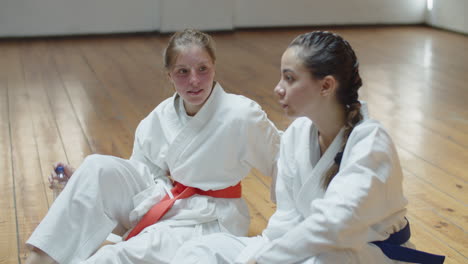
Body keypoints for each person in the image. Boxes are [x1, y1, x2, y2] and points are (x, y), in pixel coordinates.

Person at [171, 31, 446, 264]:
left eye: (290, 79)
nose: (278, 88)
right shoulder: (297, 135)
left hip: (356, 255)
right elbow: (286, 221)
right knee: (202, 250)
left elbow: (331, 228)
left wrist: (265, 260)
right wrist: (259, 255)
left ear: (326, 86)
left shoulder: (371, 144)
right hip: (299, 249)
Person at [25, 29, 281, 264]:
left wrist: (291, 223)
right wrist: (82, 183)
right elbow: (142, 174)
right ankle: (43, 258)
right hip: (165, 197)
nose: (194, 80)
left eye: (203, 68)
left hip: (209, 218)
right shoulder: (161, 116)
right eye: (183, 71)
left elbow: (283, 159)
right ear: (169, 75)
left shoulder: (241, 115)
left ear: (214, 68)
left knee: (118, 256)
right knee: (95, 167)